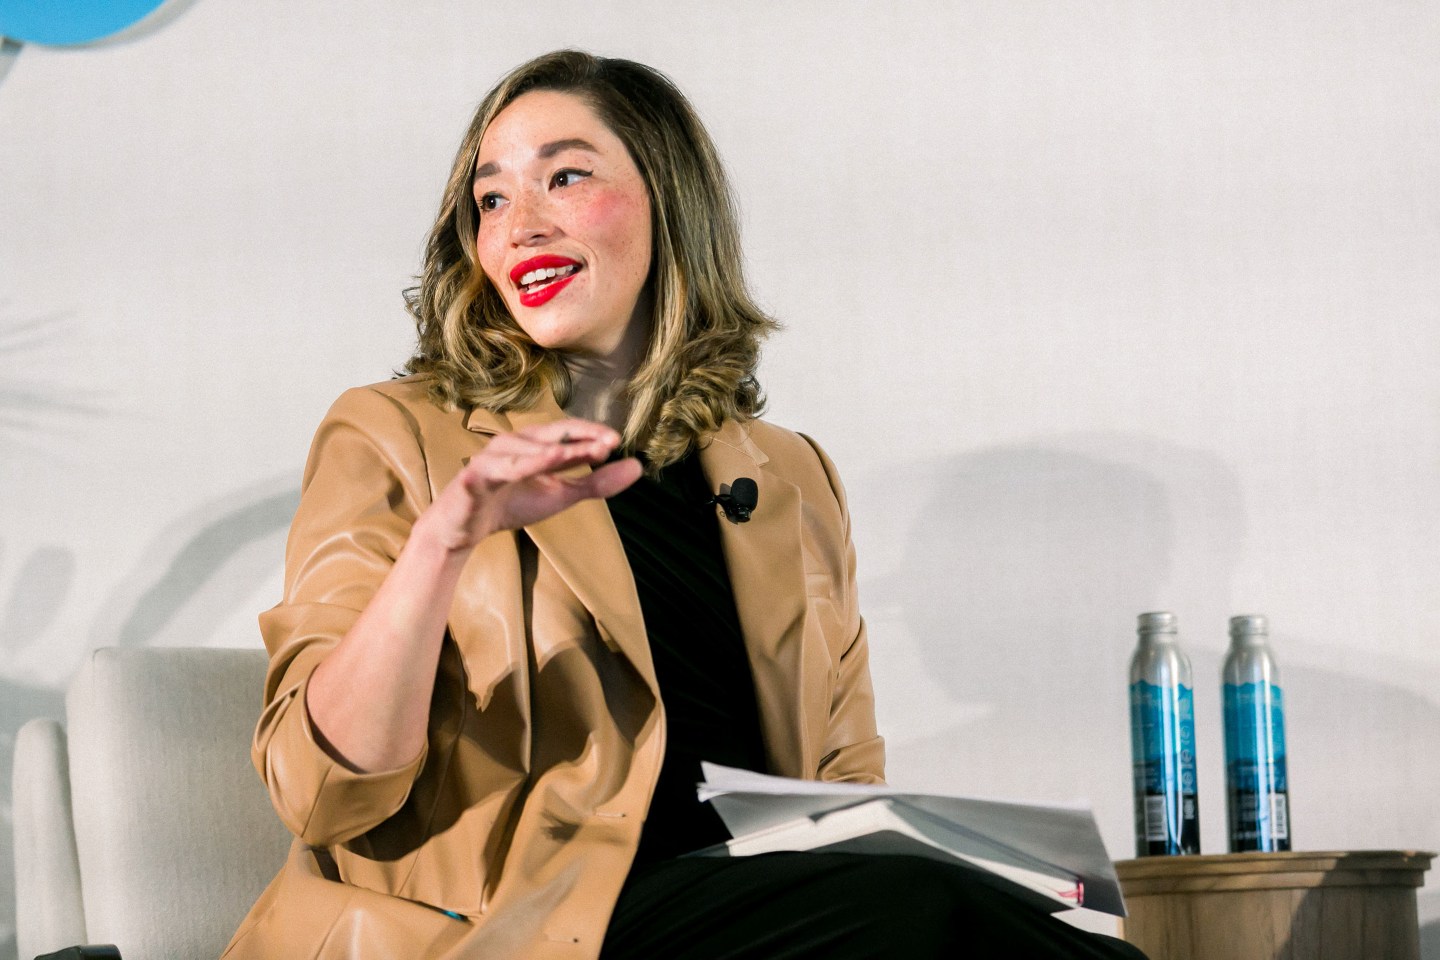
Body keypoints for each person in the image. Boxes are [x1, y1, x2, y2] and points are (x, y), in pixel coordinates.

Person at [224, 50, 1147, 960]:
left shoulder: (790, 476)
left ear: (668, 199)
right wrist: (444, 542)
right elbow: (321, 795)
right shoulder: (393, 434)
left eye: (564, 178)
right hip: (516, 932)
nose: (518, 227)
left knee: (1071, 940)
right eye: (491, 199)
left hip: (755, 914)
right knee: (924, 905)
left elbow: (846, 789)